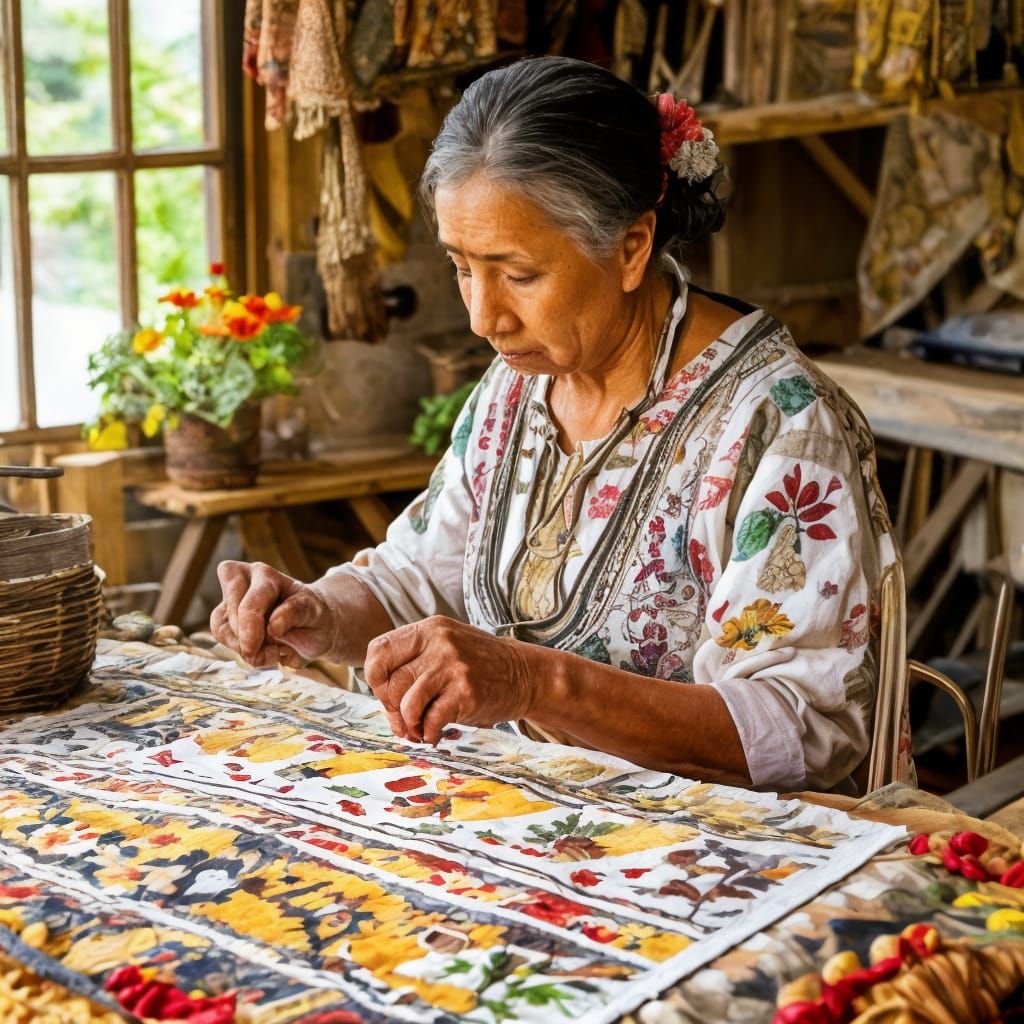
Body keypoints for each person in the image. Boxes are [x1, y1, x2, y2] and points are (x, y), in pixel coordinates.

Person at [212, 56, 901, 793]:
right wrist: (316, 611)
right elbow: (422, 575)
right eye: (462, 267)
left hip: (726, 860)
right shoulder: (518, 385)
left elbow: (804, 728)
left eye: (518, 274)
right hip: (528, 820)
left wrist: (534, 682)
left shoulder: (782, 427)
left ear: (632, 248)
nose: (483, 317)